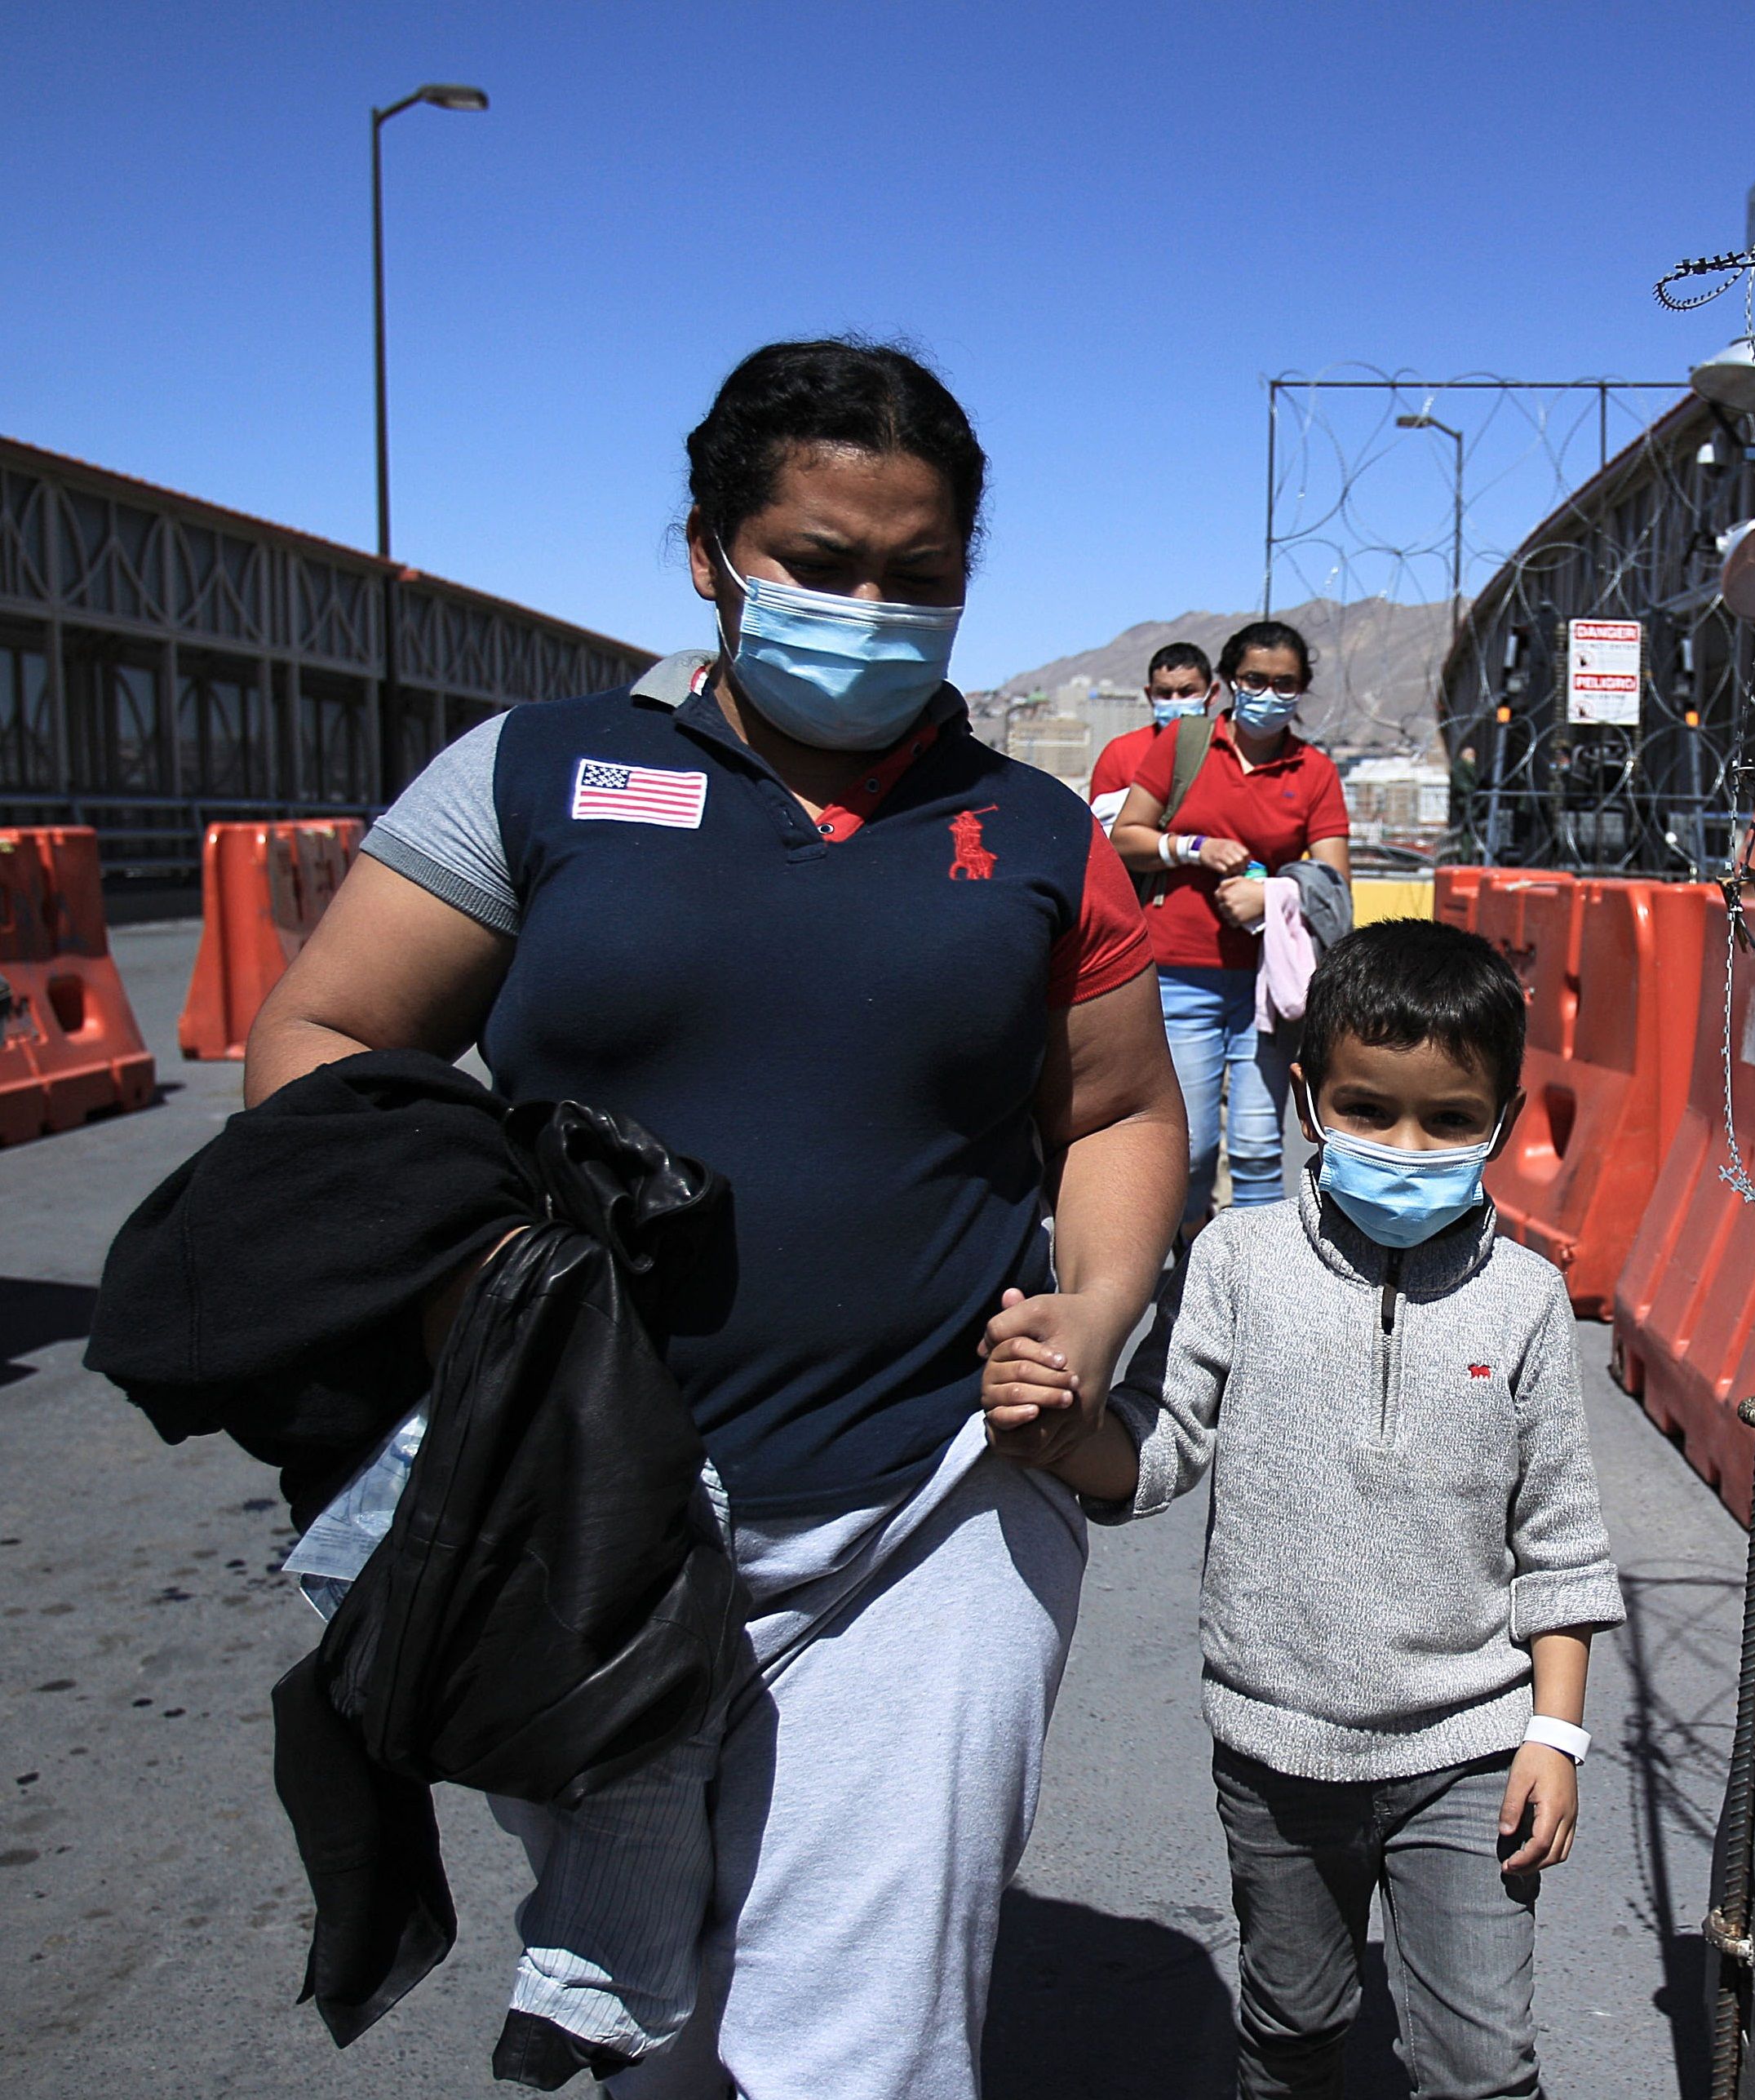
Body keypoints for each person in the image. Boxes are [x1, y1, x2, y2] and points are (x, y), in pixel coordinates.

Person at [242, 338, 1186, 2098]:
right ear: (710, 553)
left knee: (854, 2048)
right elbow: (325, 1035)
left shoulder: (1041, 832)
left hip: (925, 1509)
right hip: (570, 1519)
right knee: (663, 2016)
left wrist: (1100, 1306)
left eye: (921, 579)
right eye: (820, 565)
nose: (872, 610)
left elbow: (1122, 1106)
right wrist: (461, 1268)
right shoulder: (535, 776)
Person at [1039, 919, 1623, 2100]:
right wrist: (1067, 1430)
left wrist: (1555, 1738)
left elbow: (1558, 1540)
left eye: (1451, 1121)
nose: (1407, 1147)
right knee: (1295, 2025)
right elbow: (1159, 1452)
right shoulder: (1238, 1261)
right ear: (1306, 1097)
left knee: (1482, 2064)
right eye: (1368, 1108)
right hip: (1276, 1748)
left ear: (1502, 1122)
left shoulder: (1524, 1298)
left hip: (1473, 1745)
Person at [1108, 620, 1351, 1230]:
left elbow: (1334, 885)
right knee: (1187, 1149)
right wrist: (1190, 848)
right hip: (1176, 979)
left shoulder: (1314, 772)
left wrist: (1267, 895)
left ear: (1302, 689)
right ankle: (1188, 1274)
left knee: (1256, 1148)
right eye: (1255, 680)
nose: (1269, 693)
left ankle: (1252, 1289)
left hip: (1269, 990)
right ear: (1228, 683)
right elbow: (1126, 838)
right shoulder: (1185, 746)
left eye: (1284, 682)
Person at [1089, 640, 1215, 832]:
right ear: (1150, 695)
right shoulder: (1120, 752)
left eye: (1186, 692)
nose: (1175, 701)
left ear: (1211, 694)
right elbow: (1100, 834)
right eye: (1164, 693)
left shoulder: (1230, 747)